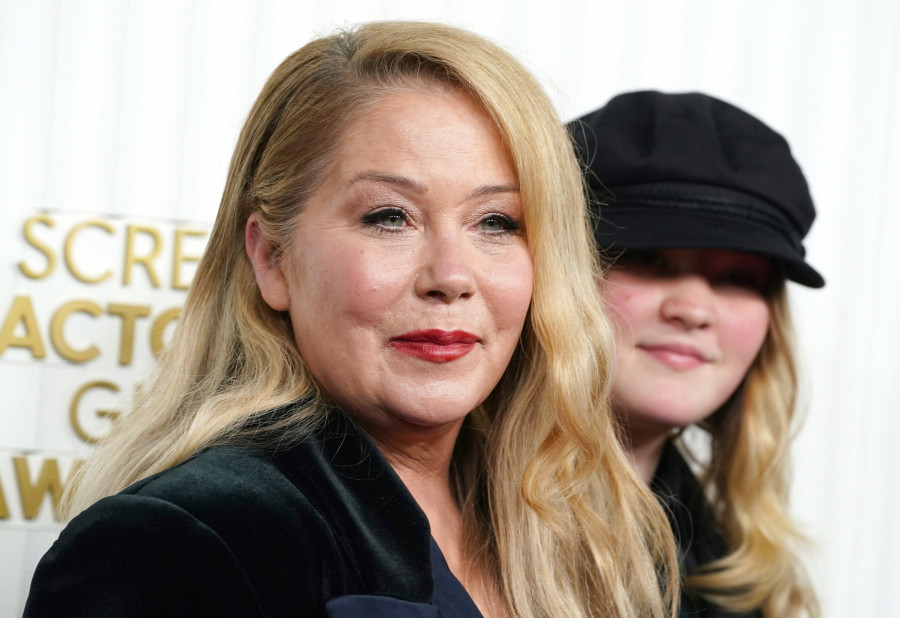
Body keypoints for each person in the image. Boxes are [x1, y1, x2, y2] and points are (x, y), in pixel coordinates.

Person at [25, 24, 679, 618]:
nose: (451, 276)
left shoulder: (585, 538)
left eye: (497, 222)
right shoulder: (184, 542)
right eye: (390, 217)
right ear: (272, 258)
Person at [568, 91, 822, 618]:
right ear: (560, 271)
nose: (693, 309)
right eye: (648, 257)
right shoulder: (421, 521)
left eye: (737, 278)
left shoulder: (742, 580)